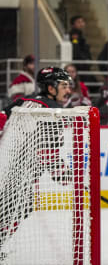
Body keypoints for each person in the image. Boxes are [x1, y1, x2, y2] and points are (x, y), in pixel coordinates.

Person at [0, 67, 72, 253]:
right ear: (51, 88)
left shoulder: (23, 101)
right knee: (21, 207)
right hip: (17, 173)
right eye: (64, 86)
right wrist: (64, 173)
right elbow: (47, 152)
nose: (68, 90)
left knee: (17, 208)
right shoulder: (54, 110)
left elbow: (1, 117)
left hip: (6, 166)